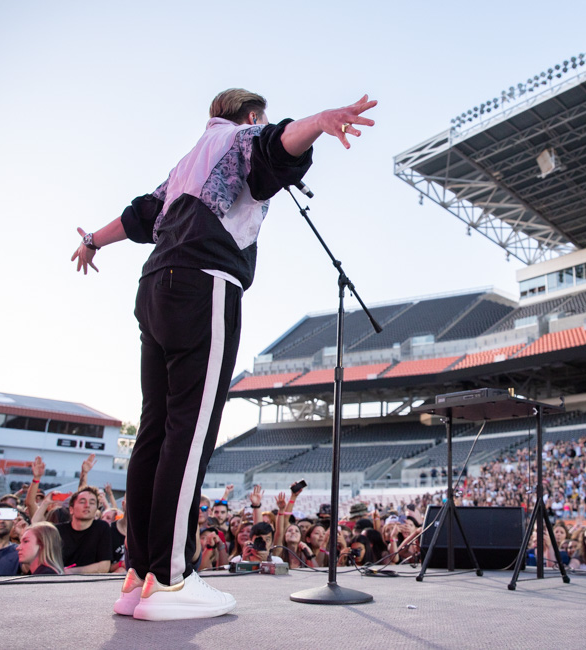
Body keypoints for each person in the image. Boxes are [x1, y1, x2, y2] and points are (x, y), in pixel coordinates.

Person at [73, 88, 376, 622]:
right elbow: (275, 147)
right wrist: (319, 121)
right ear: (251, 114)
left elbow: (140, 215)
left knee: (156, 431)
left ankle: (138, 575)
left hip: (155, 288)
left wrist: (93, 241)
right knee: (189, 434)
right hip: (203, 283)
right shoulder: (242, 138)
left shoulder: (188, 161)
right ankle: (170, 581)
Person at [56, 487, 112, 574]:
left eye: (92, 502)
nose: (87, 505)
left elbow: (104, 566)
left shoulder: (102, 527)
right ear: (71, 509)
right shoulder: (57, 531)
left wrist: (70, 572)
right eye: (82, 502)